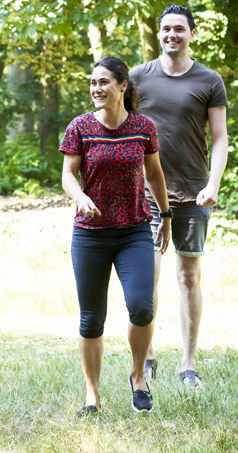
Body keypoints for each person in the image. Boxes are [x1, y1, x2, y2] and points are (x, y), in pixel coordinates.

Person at [60, 56, 171, 415]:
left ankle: (138, 376)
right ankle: (92, 395)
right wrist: (80, 197)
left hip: (133, 230)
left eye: (104, 82)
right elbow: (68, 175)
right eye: (93, 82)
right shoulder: (79, 127)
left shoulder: (143, 127)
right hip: (90, 234)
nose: (96, 89)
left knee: (141, 306)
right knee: (91, 318)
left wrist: (166, 214)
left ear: (123, 86)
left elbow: (154, 175)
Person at [130, 4, 229, 388]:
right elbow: (122, 130)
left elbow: (220, 139)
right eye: (166, 29)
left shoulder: (209, 80)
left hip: (193, 193)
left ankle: (188, 364)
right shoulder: (137, 78)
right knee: (146, 276)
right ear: (159, 34)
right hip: (146, 196)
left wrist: (214, 184)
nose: (172, 35)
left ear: (191, 34)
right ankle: (148, 355)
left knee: (188, 276)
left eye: (179, 29)